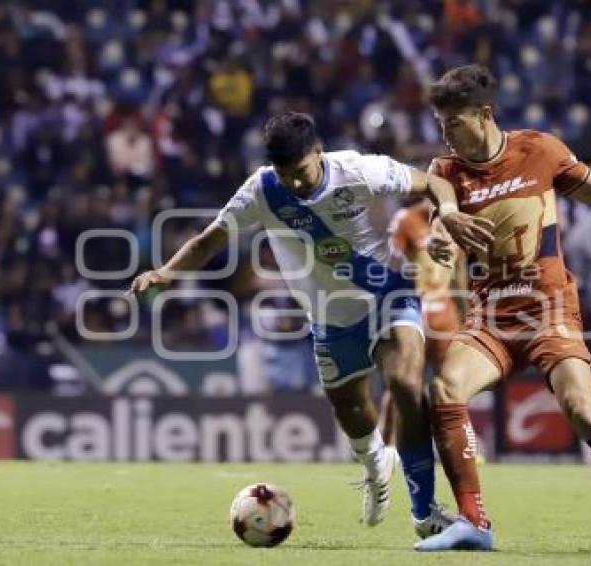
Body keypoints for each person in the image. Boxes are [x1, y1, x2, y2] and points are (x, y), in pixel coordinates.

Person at [128, 112, 493, 538]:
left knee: (407, 388)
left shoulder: (357, 169)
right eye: (287, 175)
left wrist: (447, 213)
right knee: (353, 413)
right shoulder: (262, 190)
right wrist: (166, 273)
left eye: (301, 172)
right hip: (328, 319)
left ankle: (424, 513)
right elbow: (209, 240)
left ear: (318, 153)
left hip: (387, 297)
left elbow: (435, 183)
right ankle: (376, 463)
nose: (295, 184)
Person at [414, 65, 591, 554]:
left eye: (453, 123)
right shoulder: (445, 171)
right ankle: (474, 522)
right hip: (489, 317)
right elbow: (441, 216)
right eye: (440, 125)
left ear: (484, 114)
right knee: (444, 388)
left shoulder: (540, 150)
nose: (446, 134)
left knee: (583, 409)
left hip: (548, 308)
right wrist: (440, 238)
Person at [379, 198, 461, 445]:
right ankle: (386, 445)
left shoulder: (456, 221)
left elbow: (460, 270)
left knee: (452, 383)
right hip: (414, 308)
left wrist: (466, 311)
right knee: (405, 381)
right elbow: (388, 262)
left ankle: (457, 446)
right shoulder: (406, 220)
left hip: (446, 311)